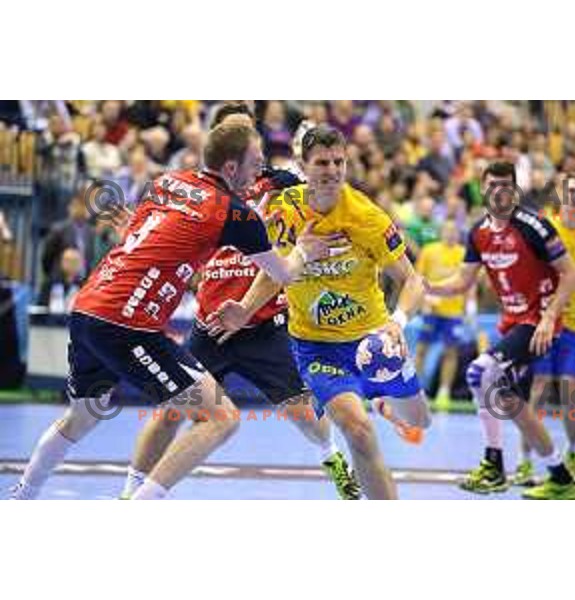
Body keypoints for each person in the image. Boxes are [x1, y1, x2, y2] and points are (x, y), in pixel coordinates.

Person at [10, 122, 332, 500]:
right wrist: (305, 250)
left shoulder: (167, 182)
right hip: (125, 322)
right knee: (222, 418)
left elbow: (152, 236)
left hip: (88, 306)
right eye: (254, 164)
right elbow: (282, 273)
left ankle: (22, 496)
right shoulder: (235, 213)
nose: (258, 173)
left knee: (83, 415)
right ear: (231, 168)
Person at [120, 104, 360, 500]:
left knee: (304, 413)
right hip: (211, 326)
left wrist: (314, 160)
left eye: (249, 133)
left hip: (265, 324)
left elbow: (322, 194)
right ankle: (130, 494)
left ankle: (331, 457)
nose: (246, 142)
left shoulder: (278, 182)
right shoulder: (197, 188)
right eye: (234, 133)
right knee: (170, 412)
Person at [207, 125, 432, 500]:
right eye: (322, 163)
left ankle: (382, 399)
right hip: (317, 347)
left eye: (338, 162)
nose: (331, 170)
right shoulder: (284, 210)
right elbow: (275, 272)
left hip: (375, 339)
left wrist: (397, 323)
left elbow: (413, 282)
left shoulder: (367, 217)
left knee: (419, 420)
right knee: (358, 430)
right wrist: (245, 309)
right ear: (302, 165)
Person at [427, 161, 575, 499]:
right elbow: (462, 282)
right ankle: (559, 475)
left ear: (515, 189)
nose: (500, 190)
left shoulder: (534, 226)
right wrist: (428, 287)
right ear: (483, 188)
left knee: (479, 373)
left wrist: (548, 317)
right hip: (513, 323)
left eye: (506, 184)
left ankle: (494, 466)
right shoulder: (478, 232)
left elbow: (571, 273)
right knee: (511, 401)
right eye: (493, 184)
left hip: (538, 323)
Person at [514, 173, 575, 487]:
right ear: (560, 197)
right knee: (536, 387)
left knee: (572, 391)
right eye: (571, 192)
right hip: (542, 322)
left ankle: (574, 453)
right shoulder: (545, 228)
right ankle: (525, 462)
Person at [414, 220, 475, 409]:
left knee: (451, 352)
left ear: (458, 234)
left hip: (453, 311)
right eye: (447, 230)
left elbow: (468, 282)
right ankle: (415, 390)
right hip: (431, 310)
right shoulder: (429, 251)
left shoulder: (464, 253)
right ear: (441, 232)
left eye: (454, 231)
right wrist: (424, 301)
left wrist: (470, 307)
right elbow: (417, 278)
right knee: (422, 349)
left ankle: (444, 391)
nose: (451, 234)